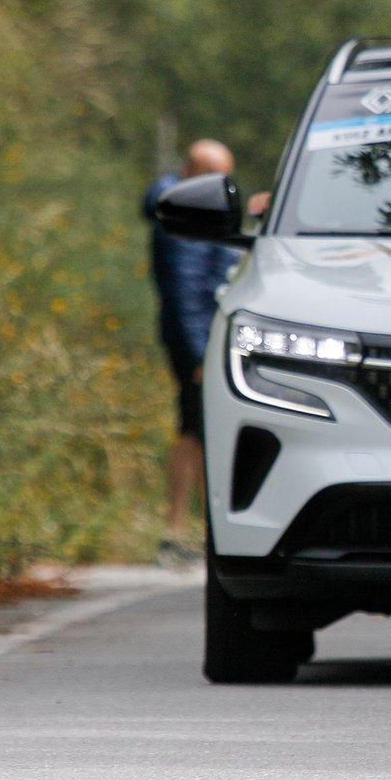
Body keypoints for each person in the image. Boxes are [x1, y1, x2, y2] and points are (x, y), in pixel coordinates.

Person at [143, 140, 243, 564]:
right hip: (197, 341)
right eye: (213, 179)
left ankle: (197, 531)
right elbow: (185, 290)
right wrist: (201, 354)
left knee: (198, 430)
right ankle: (187, 532)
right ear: (192, 173)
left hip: (201, 336)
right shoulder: (184, 223)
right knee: (200, 430)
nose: (221, 189)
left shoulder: (191, 216)